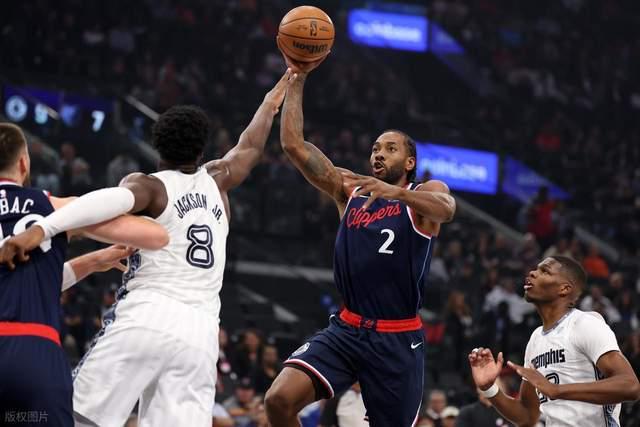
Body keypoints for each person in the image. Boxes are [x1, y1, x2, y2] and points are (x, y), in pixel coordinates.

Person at [0, 70, 294, 427]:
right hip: (201, 334)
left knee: (75, 417)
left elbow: (106, 200)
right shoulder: (220, 181)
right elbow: (250, 146)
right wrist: (270, 103)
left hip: (148, 314)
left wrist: (43, 228)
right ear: (202, 149)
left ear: (157, 145)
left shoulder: (149, 186)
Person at [264, 57, 456, 427]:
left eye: (390, 148)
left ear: (410, 162)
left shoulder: (423, 195)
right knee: (278, 400)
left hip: (397, 338)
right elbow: (293, 145)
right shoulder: (350, 189)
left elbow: (447, 209)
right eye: (375, 148)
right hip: (347, 328)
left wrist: (397, 193)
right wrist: (298, 77)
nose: (379, 153)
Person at [0, 123, 169, 426]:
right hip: (35, 353)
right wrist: (67, 225)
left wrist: (91, 262)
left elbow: (20, 284)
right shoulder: (54, 207)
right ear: (24, 163)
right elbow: (155, 235)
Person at [468, 256, 640, 427]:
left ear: (564, 289)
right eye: (536, 269)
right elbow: (527, 417)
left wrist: (557, 390)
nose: (533, 273)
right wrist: (489, 388)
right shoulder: (536, 339)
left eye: (545, 271)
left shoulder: (584, 323)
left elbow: (630, 386)